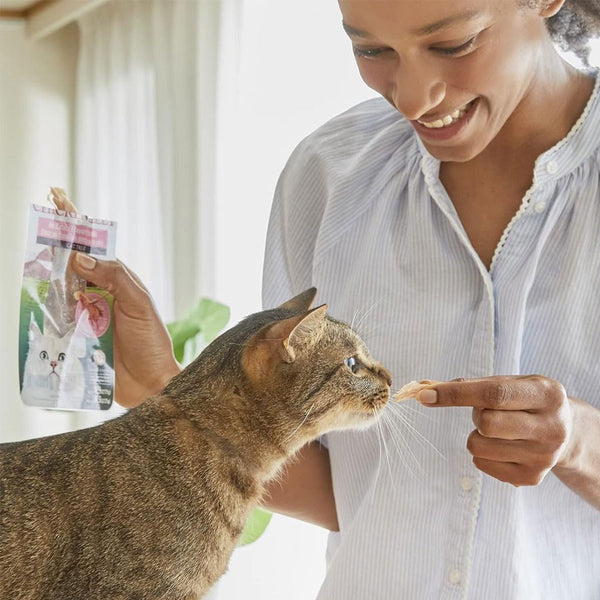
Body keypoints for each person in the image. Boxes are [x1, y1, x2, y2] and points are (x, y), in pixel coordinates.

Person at [69, 0, 600, 598]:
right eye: (371, 51)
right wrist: (159, 384)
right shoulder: (326, 176)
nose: (413, 99)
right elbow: (353, 493)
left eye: (452, 45)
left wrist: (580, 442)